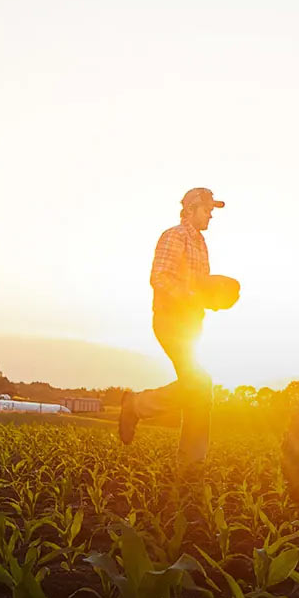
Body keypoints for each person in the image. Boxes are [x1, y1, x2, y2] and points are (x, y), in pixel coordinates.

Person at [116, 187, 230, 463]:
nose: (211, 216)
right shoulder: (174, 236)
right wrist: (192, 296)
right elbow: (160, 277)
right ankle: (136, 406)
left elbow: (198, 285)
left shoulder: (200, 243)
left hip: (190, 324)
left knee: (198, 390)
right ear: (190, 209)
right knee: (199, 385)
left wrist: (211, 298)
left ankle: (190, 464)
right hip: (170, 321)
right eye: (207, 210)